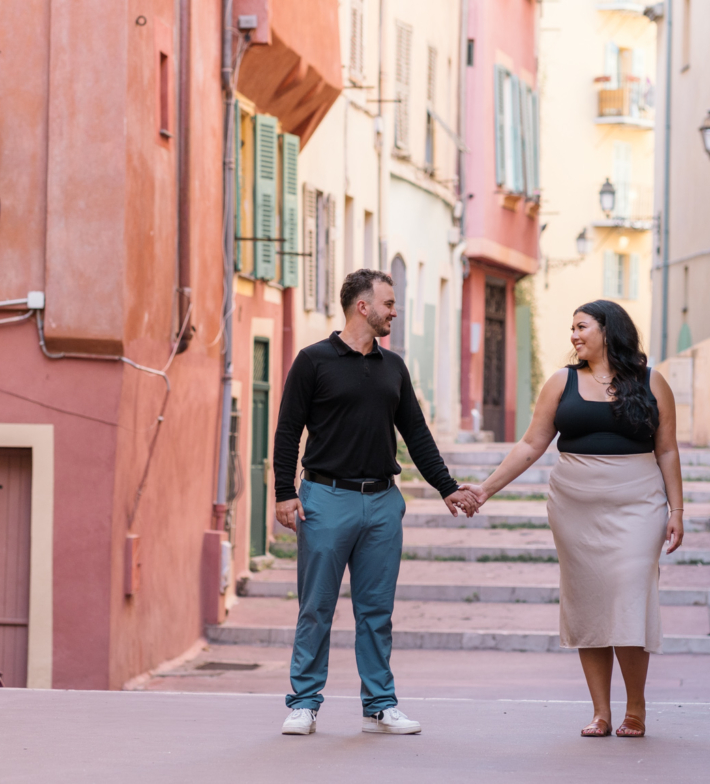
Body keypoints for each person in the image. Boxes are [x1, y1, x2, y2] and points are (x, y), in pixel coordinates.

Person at [459, 300, 683, 738]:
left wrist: (677, 510)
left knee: (631, 598)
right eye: (572, 329)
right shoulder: (561, 382)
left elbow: (668, 450)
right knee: (589, 604)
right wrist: (485, 489)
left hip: (638, 503)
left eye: (582, 327)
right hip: (575, 508)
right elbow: (531, 444)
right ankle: (601, 712)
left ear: (608, 330)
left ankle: (634, 710)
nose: (574, 336)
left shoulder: (651, 381)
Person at [272, 268, 480, 737]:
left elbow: (417, 434)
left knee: (376, 612)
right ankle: (304, 703)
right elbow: (288, 431)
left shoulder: (394, 367)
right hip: (325, 498)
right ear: (362, 306)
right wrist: (285, 492)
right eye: (388, 303)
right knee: (316, 607)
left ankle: (379, 705)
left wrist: (447, 487)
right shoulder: (313, 361)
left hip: (383, 503)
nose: (394, 311)